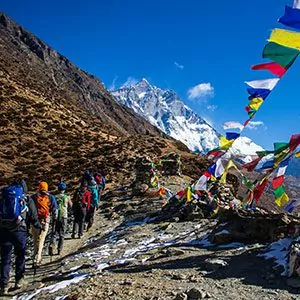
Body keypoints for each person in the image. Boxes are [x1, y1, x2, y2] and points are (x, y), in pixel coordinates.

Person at [0, 179, 42, 295]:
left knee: (5, 259)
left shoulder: (4, 198)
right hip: (19, 231)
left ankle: (3, 284)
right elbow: (33, 216)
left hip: (4, 230)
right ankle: (19, 280)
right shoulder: (27, 199)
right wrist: (38, 226)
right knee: (20, 255)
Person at [31, 182, 57, 266]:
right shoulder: (50, 197)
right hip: (45, 220)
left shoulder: (33, 197)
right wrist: (54, 219)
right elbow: (55, 210)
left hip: (34, 221)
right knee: (41, 240)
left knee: (35, 239)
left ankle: (35, 256)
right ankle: (37, 258)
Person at [49, 182, 72, 256]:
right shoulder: (66, 197)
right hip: (63, 216)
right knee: (62, 234)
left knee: (54, 233)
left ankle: (52, 245)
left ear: (58, 189)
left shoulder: (54, 197)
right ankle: (59, 249)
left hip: (55, 216)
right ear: (64, 189)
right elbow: (71, 205)